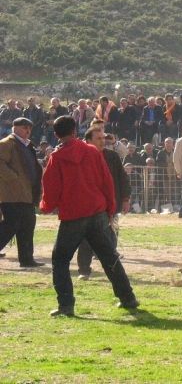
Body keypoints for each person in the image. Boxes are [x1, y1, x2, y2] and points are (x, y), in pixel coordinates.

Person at [40, 116, 139, 316]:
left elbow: (51, 189)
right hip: (97, 212)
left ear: (56, 135)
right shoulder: (92, 152)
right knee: (109, 257)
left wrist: (46, 207)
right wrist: (110, 209)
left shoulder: (57, 158)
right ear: (75, 131)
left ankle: (66, 305)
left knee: (60, 260)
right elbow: (106, 182)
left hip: (73, 215)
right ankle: (128, 298)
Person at [77, 127, 131, 280]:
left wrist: (125, 199)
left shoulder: (112, 156)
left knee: (110, 239)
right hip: (88, 205)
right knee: (86, 239)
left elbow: (123, 178)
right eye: (98, 138)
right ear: (88, 141)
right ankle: (84, 270)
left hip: (109, 205)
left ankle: (112, 271)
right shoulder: (80, 156)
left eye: (103, 138)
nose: (103, 141)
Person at [0, 118, 45, 267]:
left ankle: (27, 260)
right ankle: (26, 259)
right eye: (25, 127)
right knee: (11, 225)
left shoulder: (27, 145)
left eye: (29, 128)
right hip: (12, 194)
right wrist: (14, 178)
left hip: (26, 193)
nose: (28, 131)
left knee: (27, 225)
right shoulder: (6, 143)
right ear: (15, 128)